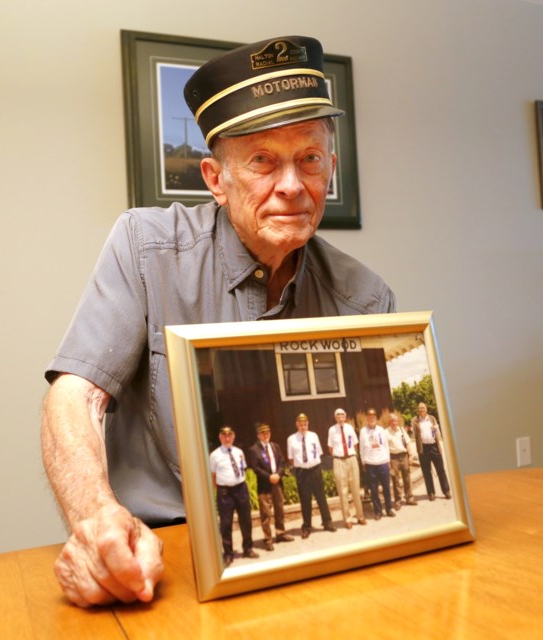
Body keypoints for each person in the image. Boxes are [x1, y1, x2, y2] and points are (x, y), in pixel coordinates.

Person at [40, 35, 394, 606]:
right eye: (262, 161)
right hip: (166, 556)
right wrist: (97, 518)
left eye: (310, 159)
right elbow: (75, 396)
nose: (292, 185)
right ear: (214, 180)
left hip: (314, 551)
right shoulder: (144, 247)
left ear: (330, 167)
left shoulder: (366, 296)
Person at [209, 426, 258, 566]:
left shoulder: (239, 452)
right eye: (224, 436)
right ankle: (228, 554)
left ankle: (248, 549)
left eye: (229, 435)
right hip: (225, 493)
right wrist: (220, 489)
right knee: (225, 523)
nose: (227, 438)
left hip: (241, 489)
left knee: (246, 520)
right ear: (220, 437)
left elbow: (243, 469)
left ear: (233, 436)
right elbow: (213, 475)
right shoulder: (214, 455)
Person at [286, 413, 335, 538]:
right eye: (301, 425)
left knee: (321, 498)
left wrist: (311, 464)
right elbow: (291, 459)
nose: (303, 427)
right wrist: (302, 465)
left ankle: (327, 522)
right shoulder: (291, 439)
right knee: (305, 500)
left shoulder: (314, 436)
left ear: (308, 424)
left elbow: (318, 453)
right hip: (302, 473)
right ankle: (307, 526)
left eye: (305, 424)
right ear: (297, 425)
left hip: (315, 470)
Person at [247, 422, 294, 551]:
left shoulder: (276, 446)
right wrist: (269, 477)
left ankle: (280, 533)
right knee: (266, 513)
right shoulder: (253, 450)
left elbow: (282, 463)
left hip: (277, 482)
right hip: (264, 485)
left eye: (267, 432)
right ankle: (268, 539)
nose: (265, 435)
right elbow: (256, 468)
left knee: (279, 509)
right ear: (258, 435)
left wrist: (278, 475)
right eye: (263, 433)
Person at [327, 408, 366, 528]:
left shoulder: (349, 427)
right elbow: (330, 448)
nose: (340, 417)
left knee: (355, 488)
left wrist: (350, 454)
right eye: (338, 415)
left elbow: (355, 443)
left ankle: (360, 516)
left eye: (342, 415)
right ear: (335, 417)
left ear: (345, 416)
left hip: (351, 459)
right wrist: (339, 456)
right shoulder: (332, 430)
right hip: (339, 461)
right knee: (342, 491)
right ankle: (347, 519)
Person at [411, 402, 451, 501]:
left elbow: (438, 432)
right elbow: (414, 434)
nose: (422, 410)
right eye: (420, 408)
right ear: (418, 410)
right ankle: (431, 493)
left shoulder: (432, 418)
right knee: (426, 472)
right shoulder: (415, 420)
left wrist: (436, 429)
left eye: (423, 408)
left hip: (434, 447)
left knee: (441, 470)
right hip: (423, 449)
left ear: (426, 409)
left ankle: (446, 491)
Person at [359, 409, 395, 519]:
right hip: (370, 464)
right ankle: (378, 511)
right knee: (373, 489)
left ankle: (389, 509)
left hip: (383, 462)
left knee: (386, 488)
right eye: (369, 418)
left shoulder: (381, 430)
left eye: (373, 417)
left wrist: (388, 461)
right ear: (367, 419)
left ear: (376, 419)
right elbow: (361, 449)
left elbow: (386, 446)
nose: (371, 419)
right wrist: (363, 462)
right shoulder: (363, 431)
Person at [385, 413, 416, 508]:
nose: (394, 423)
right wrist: (388, 461)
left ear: (398, 421)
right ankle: (398, 501)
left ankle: (409, 498)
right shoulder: (386, 432)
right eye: (392, 421)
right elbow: (385, 448)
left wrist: (410, 456)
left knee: (407, 477)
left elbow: (408, 443)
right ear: (389, 422)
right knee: (395, 480)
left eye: (396, 421)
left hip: (404, 456)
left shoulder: (402, 430)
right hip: (393, 458)